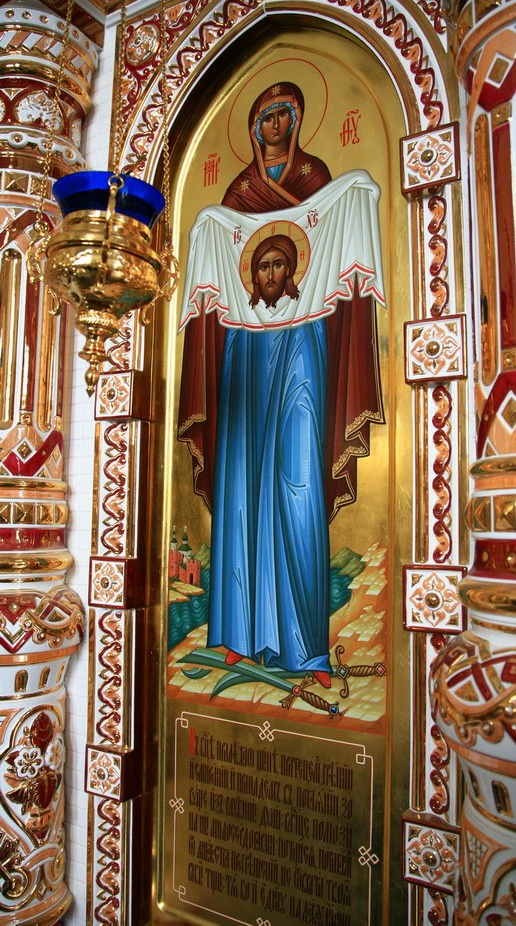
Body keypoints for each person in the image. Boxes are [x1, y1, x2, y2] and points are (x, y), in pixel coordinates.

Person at [178, 82, 384, 689]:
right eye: (264, 116)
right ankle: (236, 636)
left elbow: (340, 226)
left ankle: (306, 647)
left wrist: (357, 194)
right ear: (253, 127)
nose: (273, 125)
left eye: (282, 115)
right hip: (245, 350)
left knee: (299, 486)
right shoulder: (237, 194)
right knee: (240, 488)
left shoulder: (316, 177)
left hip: (302, 347)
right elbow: (214, 245)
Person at [249, 234, 300, 308]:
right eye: (264, 267)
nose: (270, 276)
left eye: (278, 265)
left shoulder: (299, 304)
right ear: (256, 276)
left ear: (287, 270)